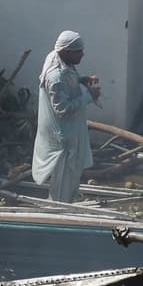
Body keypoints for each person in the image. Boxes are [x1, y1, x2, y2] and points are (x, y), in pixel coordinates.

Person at [32, 31, 102, 203]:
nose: (83, 54)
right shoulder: (55, 77)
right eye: (79, 52)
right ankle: (59, 207)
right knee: (64, 177)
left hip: (71, 130)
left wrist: (81, 79)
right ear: (67, 51)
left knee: (72, 175)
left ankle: (67, 202)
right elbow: (62, 109)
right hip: (63, 137)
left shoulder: (59, 59)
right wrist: (89, 96)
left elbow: (69, 75)